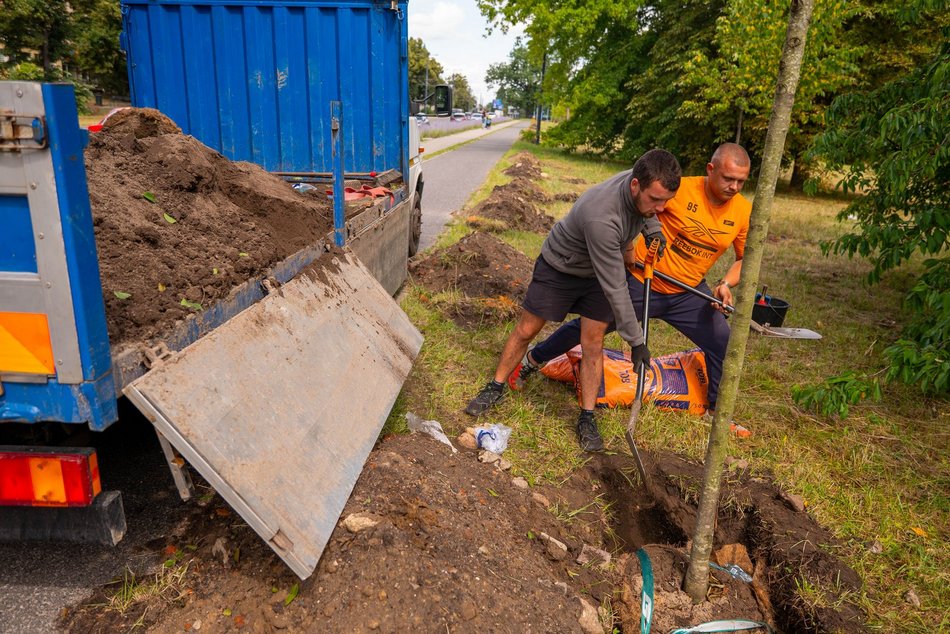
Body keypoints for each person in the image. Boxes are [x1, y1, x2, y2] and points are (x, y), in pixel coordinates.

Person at [509, 143, 753, 435]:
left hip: (687, 292)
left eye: (741, 181)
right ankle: (533, 358)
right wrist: (641, 241)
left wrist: (725, 283)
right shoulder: (679, 189)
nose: (734, 186)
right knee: (591, 329)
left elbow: (744, 258)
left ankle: (716, 412)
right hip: (644, 280)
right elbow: (641, 207)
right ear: (710, 170)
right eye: (728, 178)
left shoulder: (742, 210)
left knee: (722, 342)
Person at [463, 149, 681, 451]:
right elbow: (616, 287)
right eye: (655, 200)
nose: (660, 207)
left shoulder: (640, 183)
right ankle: (495, 386)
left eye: (665, 201)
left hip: (596, 271)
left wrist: (654, 230)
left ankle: (587, 417)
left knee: (593, 342)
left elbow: (644, 216)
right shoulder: (602, 216)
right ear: (635, 185)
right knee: (527, 329)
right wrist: (637, 342)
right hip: (561, 267)